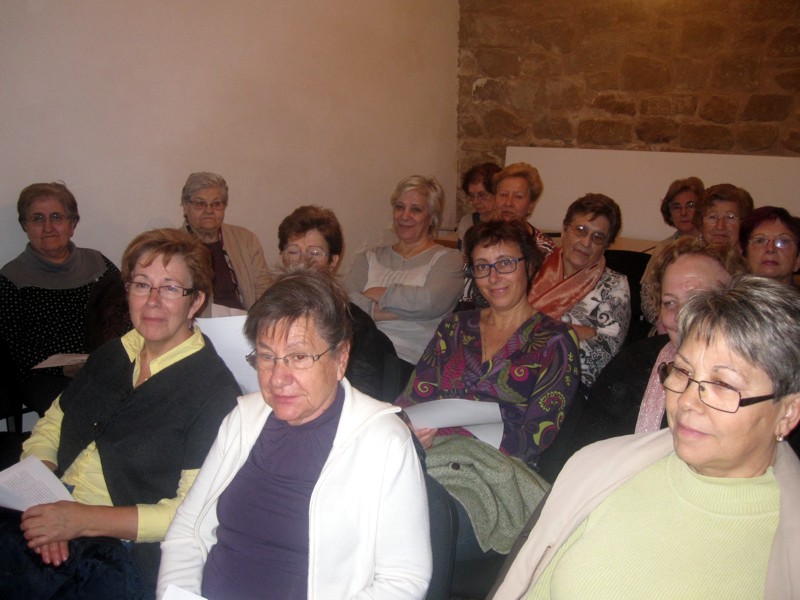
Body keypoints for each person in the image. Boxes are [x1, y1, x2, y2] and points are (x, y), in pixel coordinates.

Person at [491, 275, 800, 599]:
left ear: (788, 412)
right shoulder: (597, 469)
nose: (686, 401)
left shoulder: (788, 551)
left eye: (723, 385)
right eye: (683, 372)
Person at [158, 268, 432, 600]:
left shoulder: (383, 441)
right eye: (266, 356)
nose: (278, 378)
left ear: (340, 358)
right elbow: (187, 531)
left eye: (299, 357)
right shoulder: (244, 418)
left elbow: (404, 579)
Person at [1, 229, 240, 598]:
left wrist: (80, 521)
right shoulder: (113, 354)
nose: (152, 301)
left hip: (118, 548)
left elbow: (191, 513)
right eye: (142, 284)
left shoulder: (213, 392)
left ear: (195, 302)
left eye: (171, 288)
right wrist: (44, 496)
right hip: (52, 509)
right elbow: (53, 423)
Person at [397, 220, 580, 559]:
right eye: (482, 267)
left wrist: (460, 429)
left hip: (494, 474)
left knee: (416, 520)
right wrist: (408, 432)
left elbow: (536, 436)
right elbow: (411, 399)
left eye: (505, 263)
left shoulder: (555, 340)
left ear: (529, 266)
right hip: (430, 454)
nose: (494, 277)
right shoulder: (454, 327)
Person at [565, 238, 747, 458]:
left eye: (697, 299)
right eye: (669, 302)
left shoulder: (756, 384)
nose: (680, 316)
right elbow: (583, 453)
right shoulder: (634, 362)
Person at [0, 182, 130, 417]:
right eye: (37, 219)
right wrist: (62, 369)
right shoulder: (12, 278)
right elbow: (13, 347)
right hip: (44, 376)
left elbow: (128, 312)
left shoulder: (98, 264)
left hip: (105, 364)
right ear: (25, 225)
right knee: (85, 412)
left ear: (72, 223)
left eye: (56, 217)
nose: (48, 227)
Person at [277, 204, 397, 400]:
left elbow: (361, 396)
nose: (303, 261)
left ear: (333, 261)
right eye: (293, 251)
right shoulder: (265, 313)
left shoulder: (356, 326)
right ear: (282, 257)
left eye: (315, 253)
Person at [345, 175, 463, 364]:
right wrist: (410, 312)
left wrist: (378, 294)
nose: (404, 216)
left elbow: (429, 302)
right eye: (400, 207)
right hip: (360, 352)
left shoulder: (448, 259)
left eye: (416, 209)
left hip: (409, 360)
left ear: (432, 217)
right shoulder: (369, 257)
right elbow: (346, 304)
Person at [528, 194, 630, 387]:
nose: (586, 242)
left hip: (566, 384)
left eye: (598, 237)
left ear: (607, 245)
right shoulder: (532, 266)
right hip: (509, 367)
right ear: (564, 230)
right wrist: (576, 331)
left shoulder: (614, 285)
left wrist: (534, 330)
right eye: (580, 230)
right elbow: (504, 320)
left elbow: (603, 352)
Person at [180, 172, 270, 315]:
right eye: (200, 204)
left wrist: (256, 322)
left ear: (224, 207)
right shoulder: (174, 247)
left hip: (246, 321)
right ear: (186, 206)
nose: (209, 210)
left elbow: (264, 290)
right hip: (197, 323)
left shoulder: (246, 240)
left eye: (216, 204)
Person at [640, 176, 704, 324]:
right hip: (665, 323)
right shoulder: (662, 248)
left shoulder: (710, 248)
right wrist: (662, 322)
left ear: (701, 209)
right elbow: (647, 296)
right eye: (676, 207)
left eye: (690, 205)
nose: (683, 213)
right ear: (669, 212)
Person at [739, 205, 800, 287]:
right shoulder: (727, 295)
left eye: (783, 241)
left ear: (798, 260)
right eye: (760, 240)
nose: (770, 249)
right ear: (744, 255)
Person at [695, 182, 754, 250]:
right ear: (701, 224)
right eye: (713, 217)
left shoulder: (757, 256)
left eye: (730, 217)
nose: (720, 227)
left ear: (743, 223)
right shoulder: (688, 256)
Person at [456, 162, 501, 248]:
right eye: (471, 196)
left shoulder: (508, 223)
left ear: (497, 192)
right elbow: (461, 254)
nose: (475, 202)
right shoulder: (467, 222)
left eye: (482, 195)